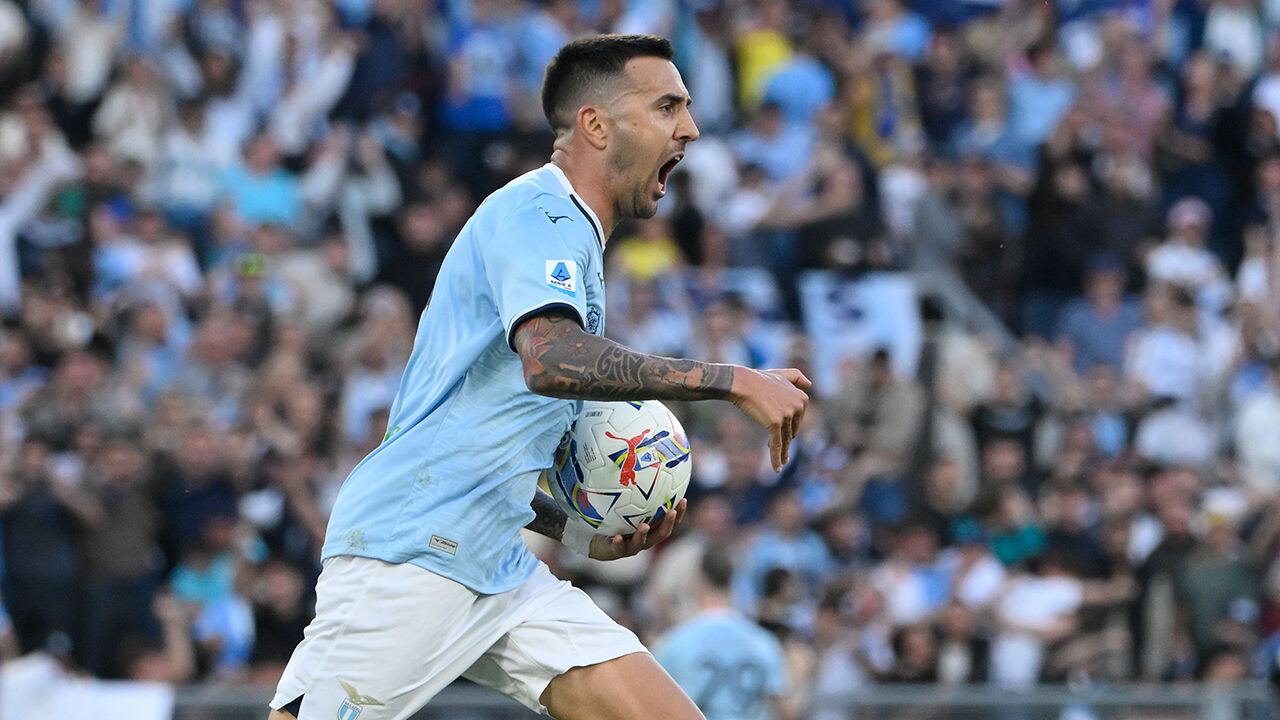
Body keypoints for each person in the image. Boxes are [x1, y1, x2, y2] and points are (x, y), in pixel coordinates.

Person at [268, 34, 810, 720]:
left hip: (496, 561)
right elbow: (551, 358)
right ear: (595, 124)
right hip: (414, 551)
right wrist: (730, 380)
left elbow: (493, 447)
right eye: (668, 106)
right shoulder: (540, 214)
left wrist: (579, 534)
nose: (691, 128)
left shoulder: (572, 235)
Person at [654, 547, 794, 720]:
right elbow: (785, 709)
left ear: (698, 582)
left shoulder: (672, 643)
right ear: (732, 583)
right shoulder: (763, 641)